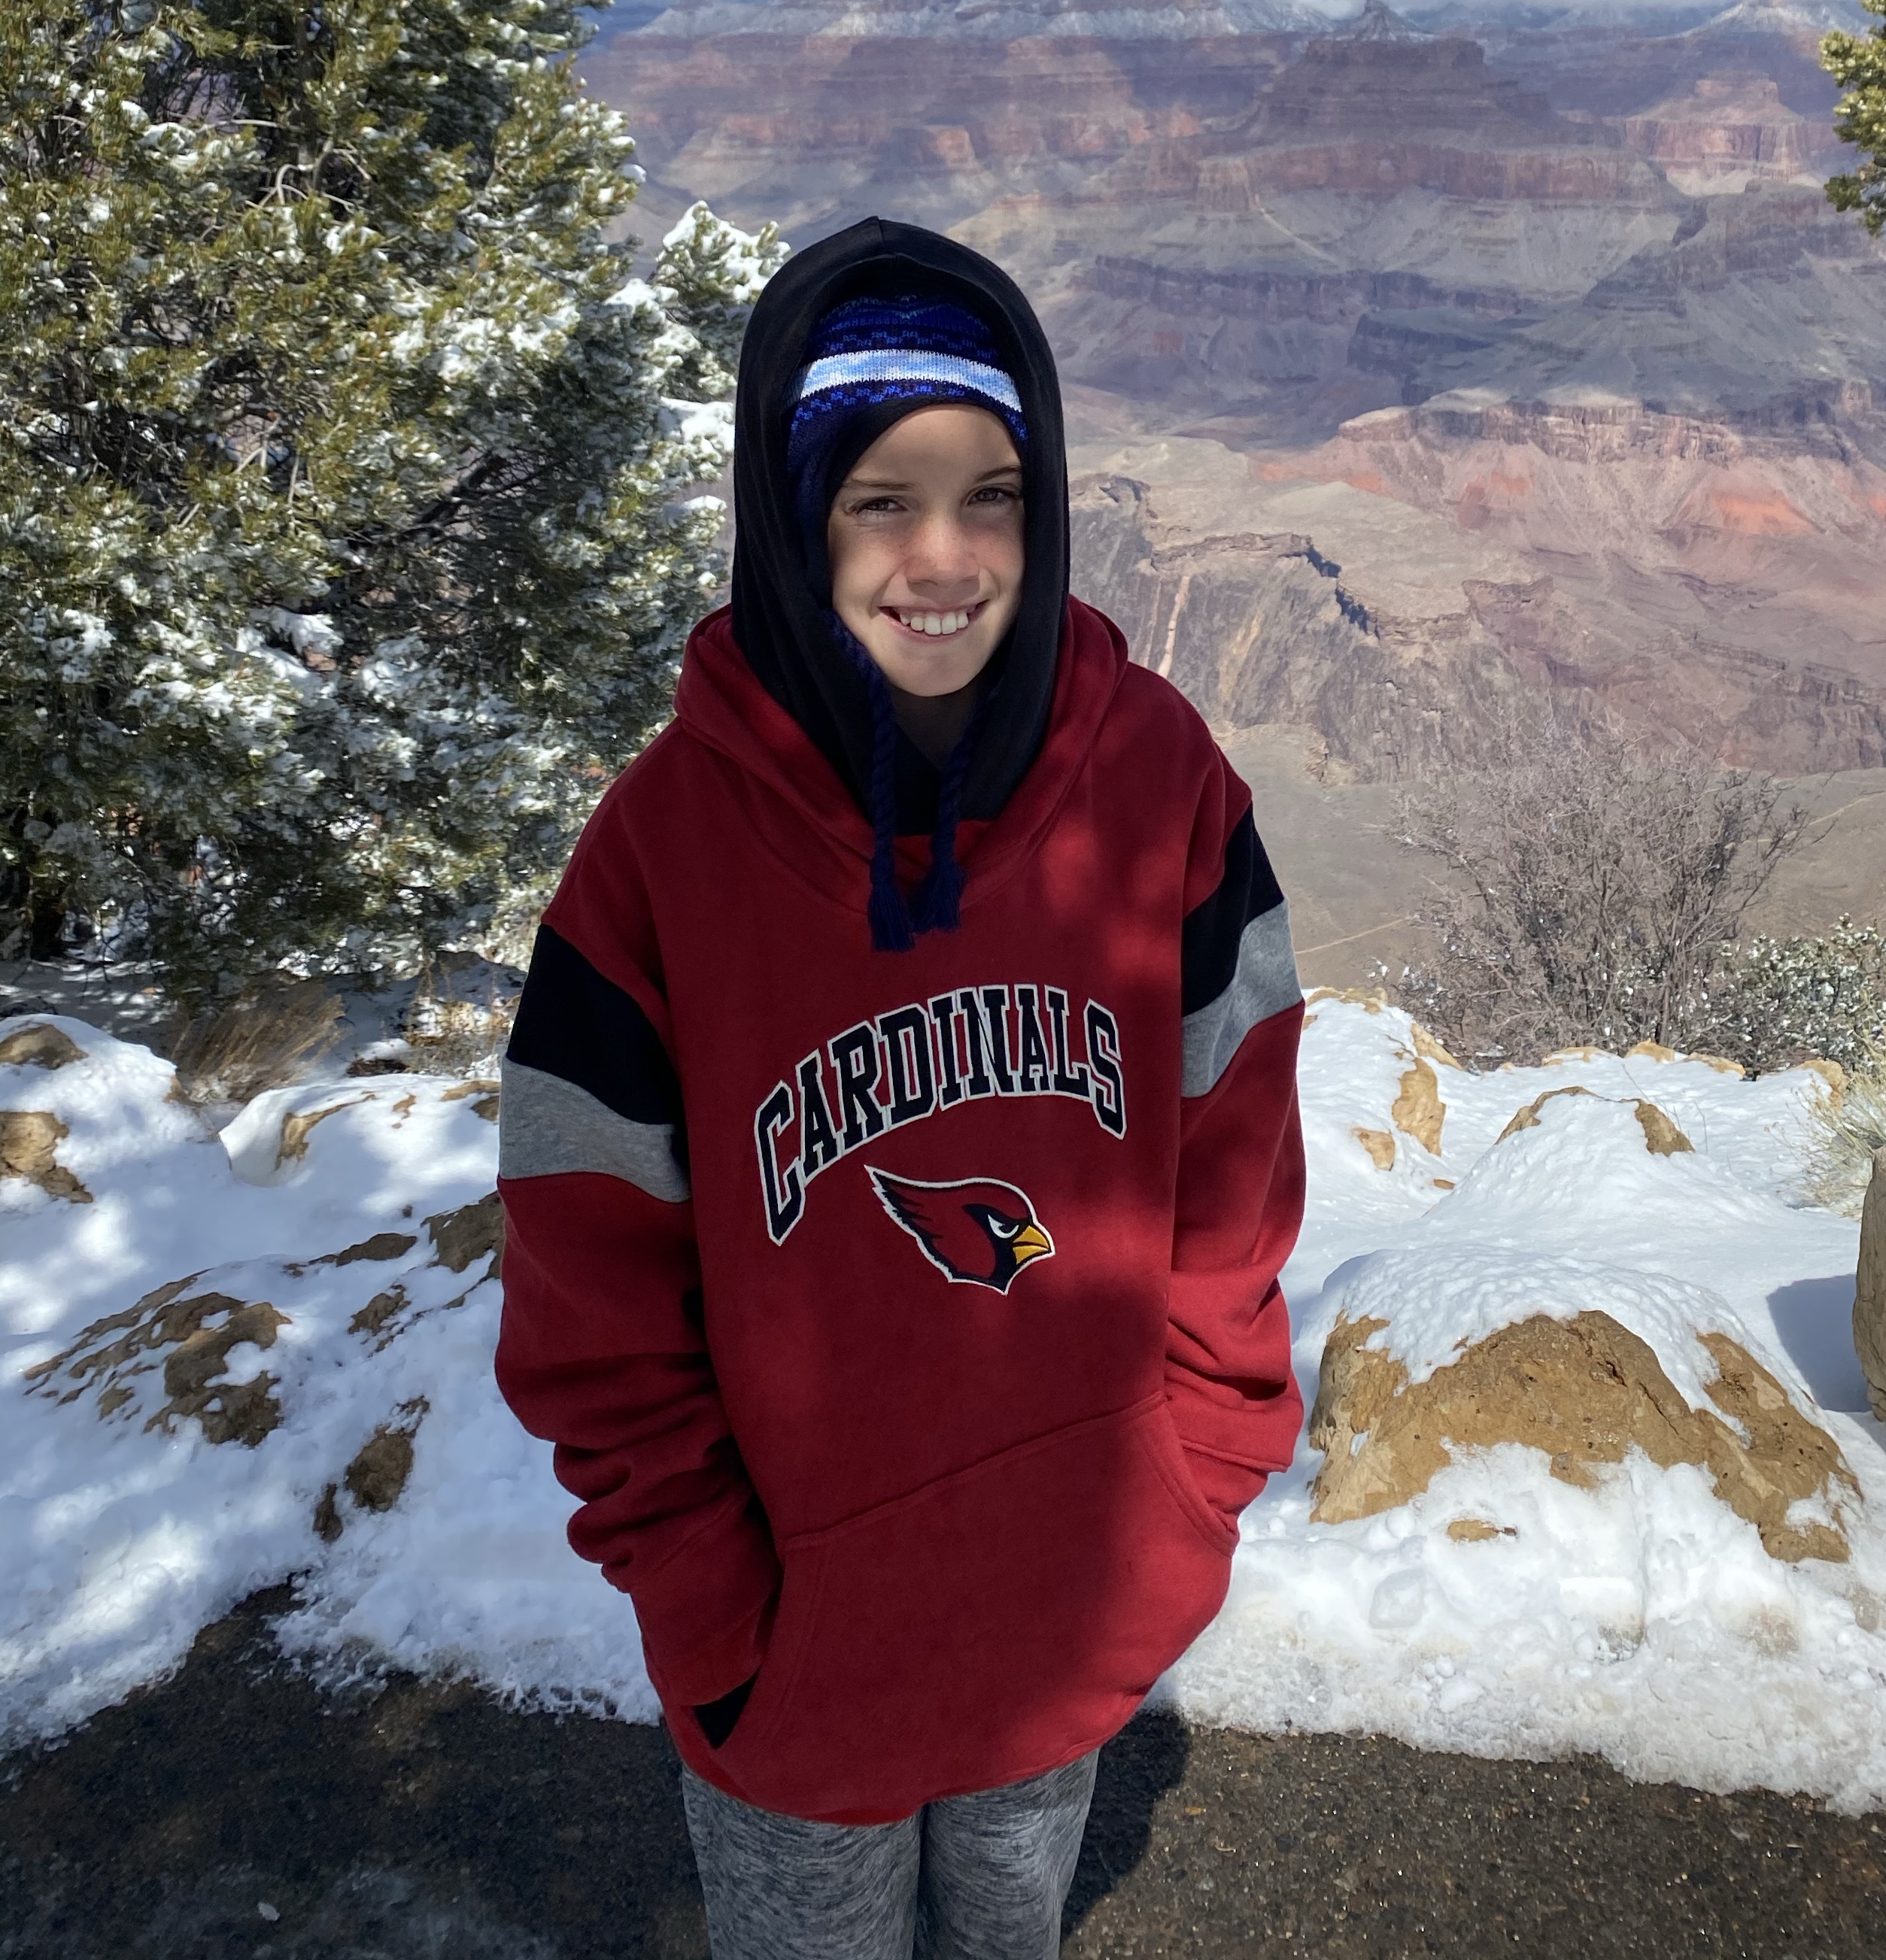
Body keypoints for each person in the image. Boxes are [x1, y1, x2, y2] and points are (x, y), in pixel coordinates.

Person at [494, 217, 1306, 1960]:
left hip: (1071, 1605)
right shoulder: (661, 856)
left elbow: (1235, 1152)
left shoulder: (1159, 781)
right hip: (797, 1665)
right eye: (880, 500)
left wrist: (1189, 1479)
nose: (943, 557)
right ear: (793, 517)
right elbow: (587, 1280)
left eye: (991, 495)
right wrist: (715, 1606)